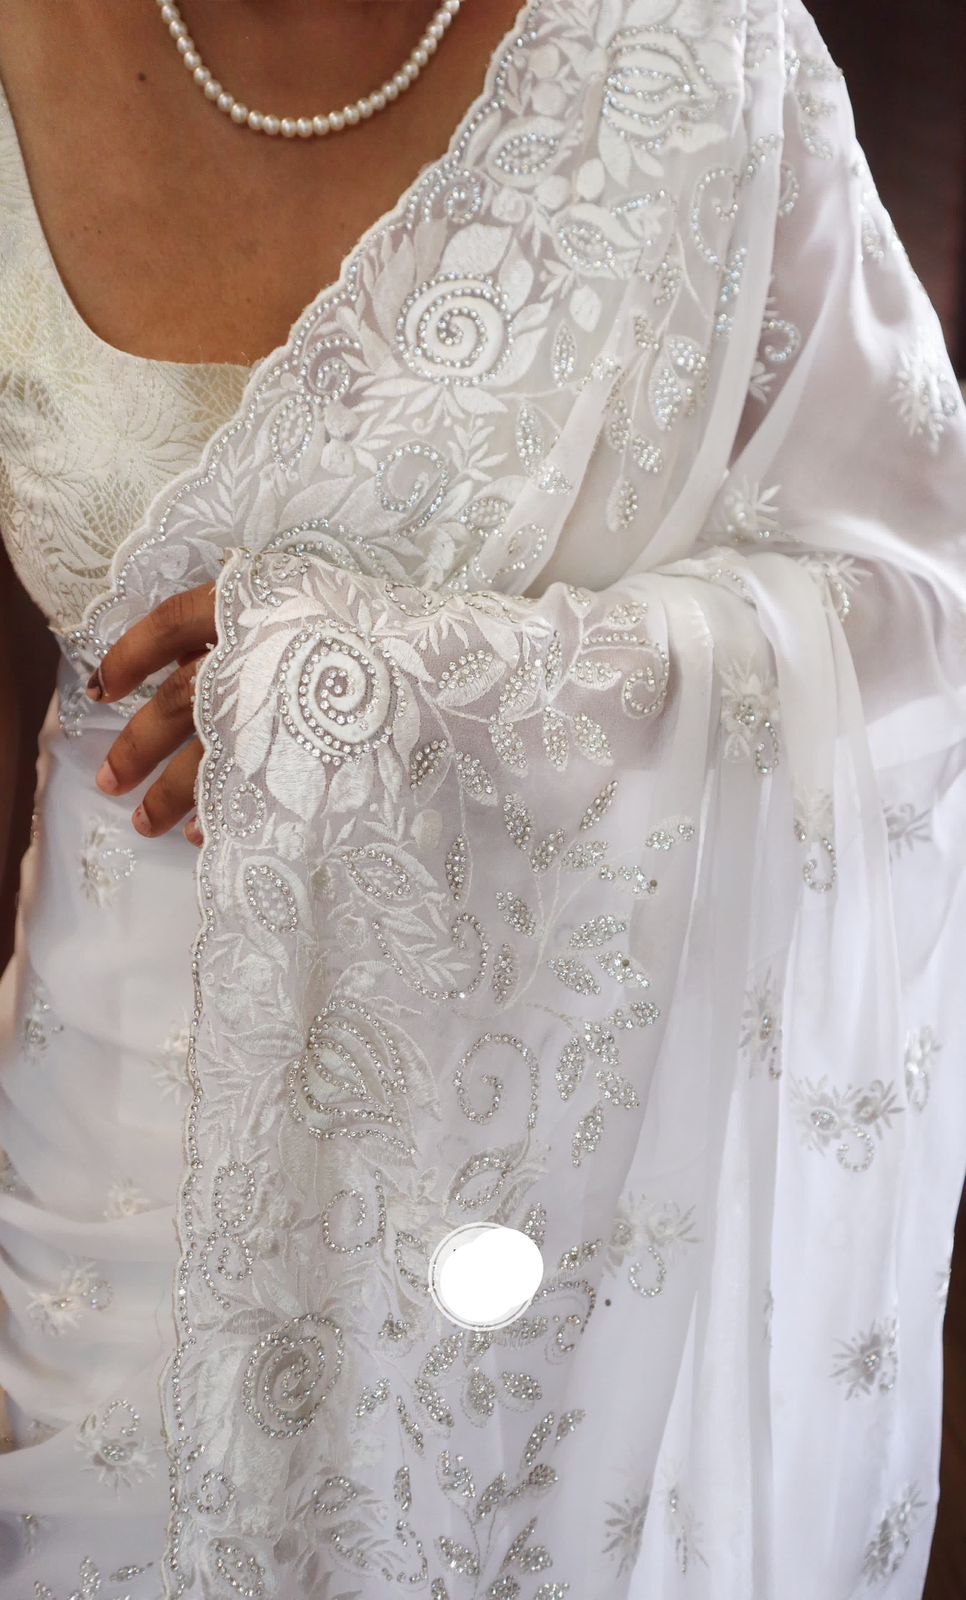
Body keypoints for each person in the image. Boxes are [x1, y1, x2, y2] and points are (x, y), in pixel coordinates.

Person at [1, 0, 965, 1594]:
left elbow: (913, 618)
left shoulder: (693, 54)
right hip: (95, 1190)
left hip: (540, 1229)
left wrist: (415, 689)